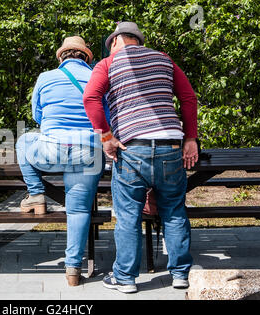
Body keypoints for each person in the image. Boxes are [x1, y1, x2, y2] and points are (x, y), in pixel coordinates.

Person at [83, 21, 199, 293]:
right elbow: (188, 98)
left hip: (132, 149)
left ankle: (125, 278)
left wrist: (106, 137)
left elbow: (90, 97)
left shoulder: (108, 63)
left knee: (128, 216)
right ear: (138, 40)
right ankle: (181, 274)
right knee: (174, 210)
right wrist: (190, 138)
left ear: (114, 42)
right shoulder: (164, 59)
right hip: (171, 147)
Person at [16, 36, 109, 286]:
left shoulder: (45, 78)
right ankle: (73, 271)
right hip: (88, 152)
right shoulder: (97, 78)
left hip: (51, 151)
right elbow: (106, 116)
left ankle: (36, 194)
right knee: (78, 211)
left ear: (61, 57)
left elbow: (37, 115)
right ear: (87, 57)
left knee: (22, 141)